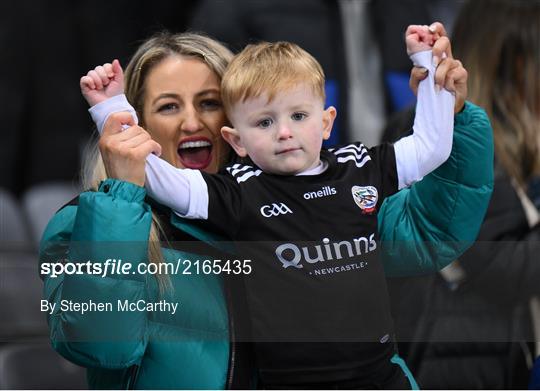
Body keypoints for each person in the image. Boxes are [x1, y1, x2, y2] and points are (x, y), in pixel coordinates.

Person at [86, 26, 491, 388]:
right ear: (237, 139)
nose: (284, 132)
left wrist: (433, 78)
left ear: (327, 121)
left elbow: (431, 148)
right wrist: (112, 114)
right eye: (263, 122)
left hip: (378, 378)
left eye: (298, 115)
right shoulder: (236, 192)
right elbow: (162, 181)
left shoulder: (358, 167)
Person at [383, 0, 540, 388]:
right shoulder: (453, 134)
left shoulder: (504, 135)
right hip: (457, 364)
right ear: (518, 63)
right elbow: (504, 265)